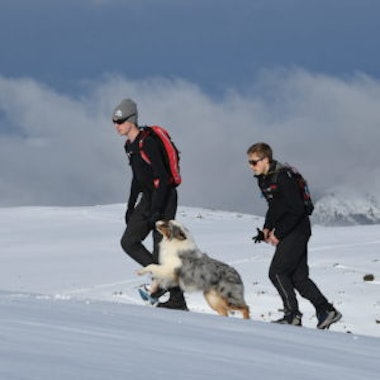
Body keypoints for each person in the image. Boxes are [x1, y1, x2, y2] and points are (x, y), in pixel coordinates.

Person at [247, 142, 342, 329]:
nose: (251, 166)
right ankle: (327, 310)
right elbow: (274, 207)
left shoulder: (283, 177)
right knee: (299, 278)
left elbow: (297, 209)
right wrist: (267, 228)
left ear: (266, 160)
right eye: (249, 162)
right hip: (291, 229)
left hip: (297, 229)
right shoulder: (264, 178)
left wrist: (279, 234)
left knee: (277, 272)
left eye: (254, 162)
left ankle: (292, 315)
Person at [112, 98, 187, 310]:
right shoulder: (130, 146)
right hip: (147, 199)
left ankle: (177, 300)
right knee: (129, 241)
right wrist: (130, 207)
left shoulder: (149, 141)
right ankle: (162, 279)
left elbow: (163, 178)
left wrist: (157, 211)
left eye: (120, 121)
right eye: (114, 122)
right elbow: (137, 178)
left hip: (164, 197)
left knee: (160, 251)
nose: (116, 126)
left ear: (131, 120)